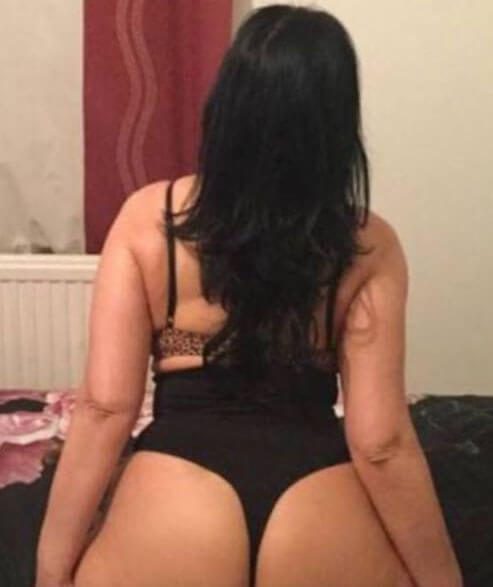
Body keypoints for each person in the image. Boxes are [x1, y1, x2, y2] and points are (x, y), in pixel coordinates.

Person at [35, 5, 463, 587]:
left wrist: (51, 569)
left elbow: (105, 409)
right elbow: (382, 442)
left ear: (226, 106)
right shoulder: (368, 242)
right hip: (316, 504)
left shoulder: (148, 218)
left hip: (176, 499)